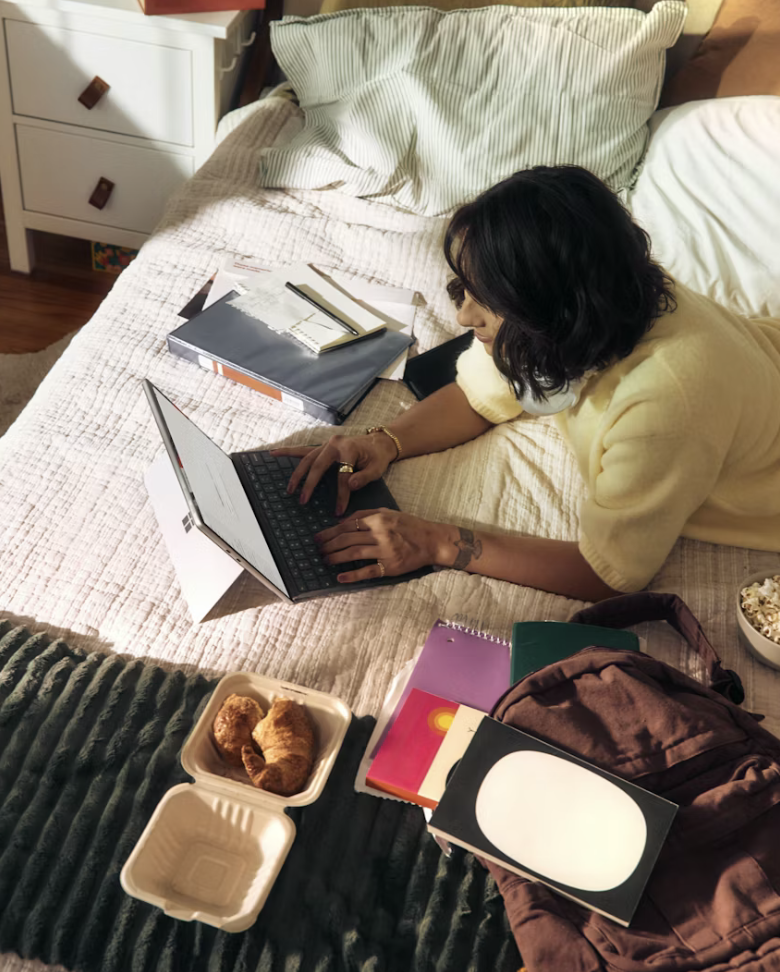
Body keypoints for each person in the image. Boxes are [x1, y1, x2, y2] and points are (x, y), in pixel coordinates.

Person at [273, 165, 780, 601]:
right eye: (466, 289)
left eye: (484, 299)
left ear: (555, 312)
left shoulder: (664, 405)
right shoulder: (590, 298)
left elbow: (610, 573)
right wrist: (383, 441)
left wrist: (438, 542)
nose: (464, 316)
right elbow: (479, 395)